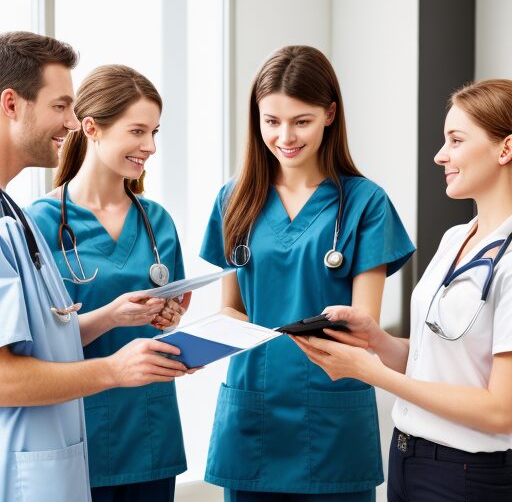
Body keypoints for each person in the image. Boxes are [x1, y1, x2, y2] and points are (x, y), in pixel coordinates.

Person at [200, 45, 415, 501]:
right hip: (252, 413)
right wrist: (199, 338)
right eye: (271, 121)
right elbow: (232, 308)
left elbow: (362, 327)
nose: (285, 136)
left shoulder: (365, 203)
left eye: (302, 121)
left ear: (330, 114)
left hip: (331, 415)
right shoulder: (233, 199)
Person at [293, 79, 512, 502]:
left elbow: (501, 411)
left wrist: (371, 374)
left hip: (467, 473)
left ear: (505, 149)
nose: (440, 155)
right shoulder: (456, 238)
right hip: (408, 457)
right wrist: (378, 343)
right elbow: (441, 360)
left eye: (456, 140)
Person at [0, 31, 188, 502]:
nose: (70, 120)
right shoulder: (34, 221)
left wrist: (133, 317)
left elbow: (47, 334)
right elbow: (12, 367)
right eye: (60, 106)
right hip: (64, 434)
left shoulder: (154, 219)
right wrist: (111, 361)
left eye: (154, 132)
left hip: (139, 431)